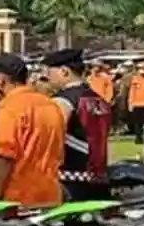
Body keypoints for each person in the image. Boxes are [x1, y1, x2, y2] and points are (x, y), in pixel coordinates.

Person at [0, 53, 65, 206]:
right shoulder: (50, 105)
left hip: (19, 197)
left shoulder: (9, 108)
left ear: (1, 80)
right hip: (51, 194)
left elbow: (4, 156)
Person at [43, 48, 112, 200]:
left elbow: (52, 139)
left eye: (49, 72)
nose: (47, 77)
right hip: (99, 177)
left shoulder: (63, 101)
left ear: (64, 71)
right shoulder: (97, 98)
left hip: (70, 179)